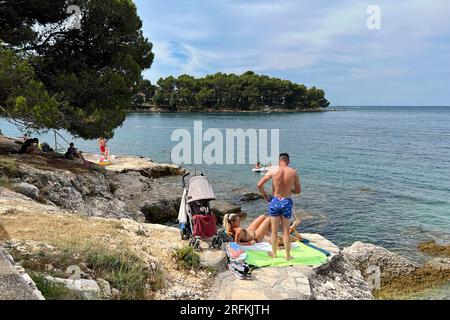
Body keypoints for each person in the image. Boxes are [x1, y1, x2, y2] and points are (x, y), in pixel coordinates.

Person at [257, 153, 301, 261]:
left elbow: (259, 185)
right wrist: (290, 190)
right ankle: (287, 256)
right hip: (286, 201)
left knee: (274, 230)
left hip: (275, 200)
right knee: (286, 230)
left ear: (279, 161)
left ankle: (275, 254)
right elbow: (298, 191)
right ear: (288, 161)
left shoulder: (272, 171)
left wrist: (265, 196)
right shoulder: (293, 172)